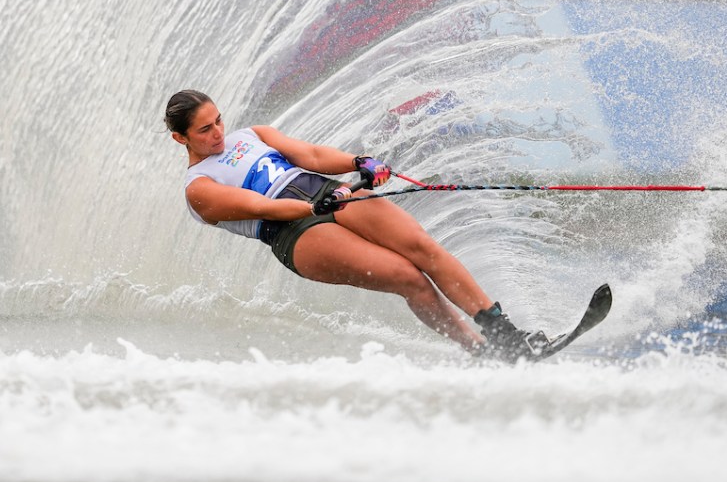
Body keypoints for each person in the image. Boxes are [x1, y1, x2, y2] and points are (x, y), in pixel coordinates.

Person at [164, 89, 546, 361]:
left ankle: (506, 337)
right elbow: (263, 206)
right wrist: (314, 209)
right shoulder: (199, 188)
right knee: (407, 277)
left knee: (422, 248)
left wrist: (358, 162)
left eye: (218, 121)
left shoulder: (253, 135)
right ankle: (478, 350)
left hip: (329, 191)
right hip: (295, 233)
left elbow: (310, 154)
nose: (218, 133)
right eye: (205, 130)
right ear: (181, 138)